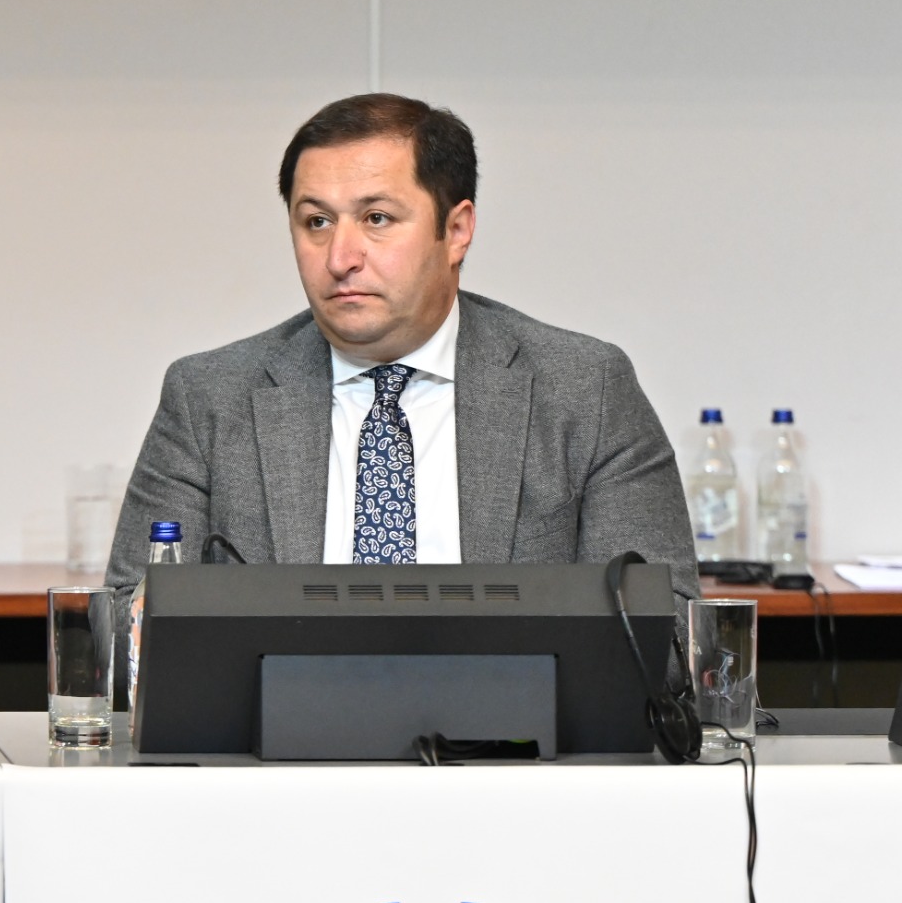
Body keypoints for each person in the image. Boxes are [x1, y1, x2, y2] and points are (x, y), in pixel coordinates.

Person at [106, 94, 696, 614]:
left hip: (505, 708)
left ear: (456, 230)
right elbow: (131, 629)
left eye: (377, 218)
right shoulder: (209, 398)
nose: (340, 257)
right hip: (282, 708)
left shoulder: (584, 390)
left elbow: (663, 631)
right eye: (316, 221)